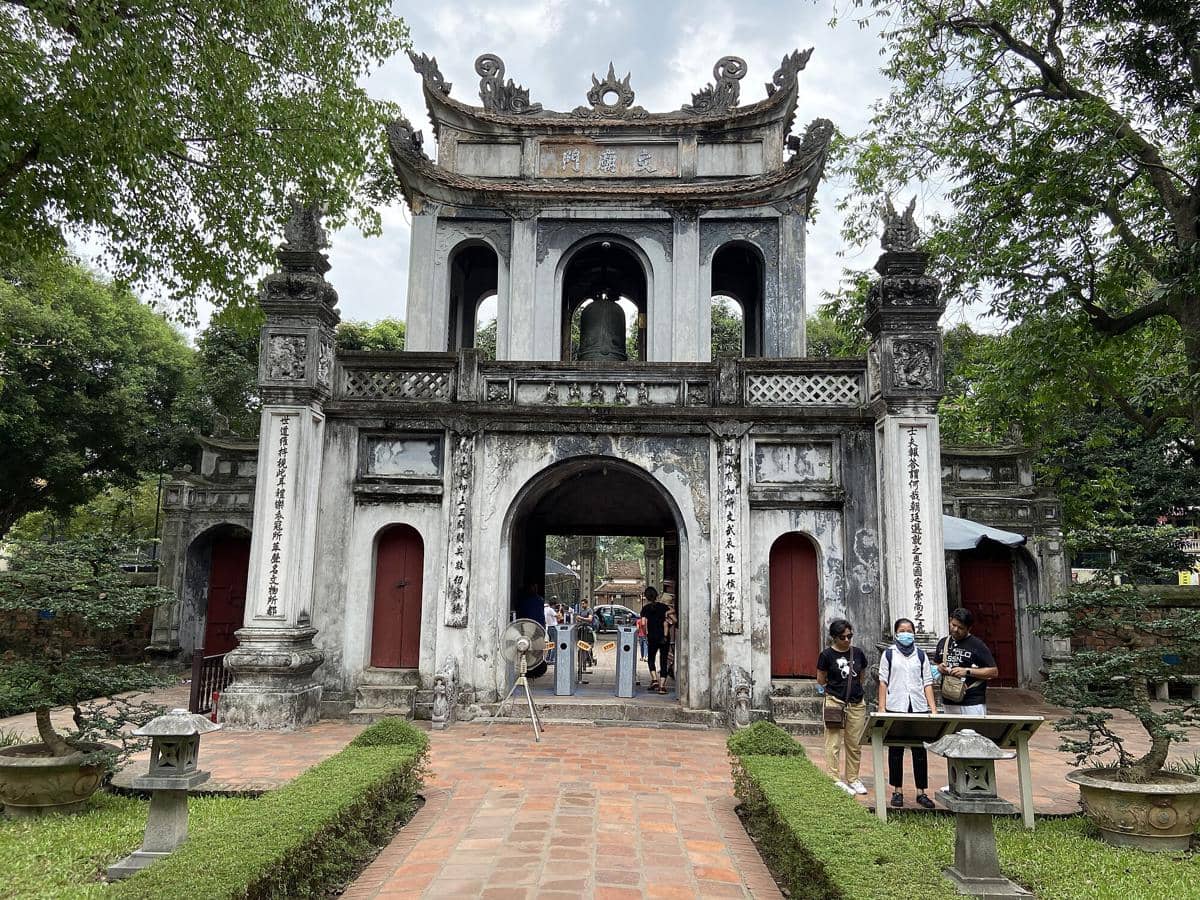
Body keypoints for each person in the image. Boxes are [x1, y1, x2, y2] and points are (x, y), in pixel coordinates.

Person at [877, 618, 938, 809]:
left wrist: (933, 709)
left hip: (918, 705)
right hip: (896, 704)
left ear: (914, 633)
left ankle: (921, 791)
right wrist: (882, 707)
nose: (906, 633)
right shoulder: (889, 654)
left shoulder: (920, 655)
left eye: (909, 630)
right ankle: (897, 790)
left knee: (920, 750)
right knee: (896, 750)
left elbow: (927, 682)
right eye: (902, 630)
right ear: (896, 634)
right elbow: (883, 681)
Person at [816, 618, 869, 796]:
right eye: (842, 637)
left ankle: (853, 778)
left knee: (854, 744)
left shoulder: (858, 653)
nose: (847, 640)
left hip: (856, 703)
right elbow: (821, 679)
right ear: (834, 637)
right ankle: (834, 777)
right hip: (834, 702)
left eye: (849, 636)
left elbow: (862, 676)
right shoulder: (826, 655)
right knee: (833, 743)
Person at [933, 607, 998, 715]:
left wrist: (967, 671)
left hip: (972, 702)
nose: (955, 630)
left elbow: (993, 672)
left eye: (961, 628)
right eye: (953, 625)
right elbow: (936, 664)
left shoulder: (977, 645)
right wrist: (939, 668)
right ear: (950, 620)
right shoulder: (943, 642)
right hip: (948, 699)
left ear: (969, 628)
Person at [639, 586, 670, 693]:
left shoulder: (645, 609)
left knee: (651, 658)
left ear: (646, 597)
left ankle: (654, 679)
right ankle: (662, 687)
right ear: (657, 595)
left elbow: (643, 623)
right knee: (663, 660)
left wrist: (645, 632)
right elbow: (671, 618)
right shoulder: (664, 607)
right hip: (664, 637)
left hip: (652, 637)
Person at [661, 592, 678, 693]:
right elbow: (675, 620)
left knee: (664, 658)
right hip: (666, 637)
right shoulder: (667, 609)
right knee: (665, 658)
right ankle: (662, 683)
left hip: (661, 636)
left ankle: (659, 681)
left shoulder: (664, 609)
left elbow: (674, 620)